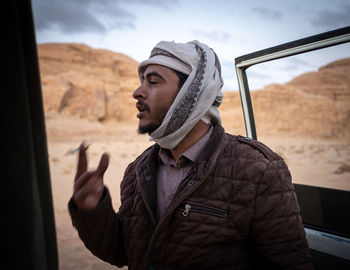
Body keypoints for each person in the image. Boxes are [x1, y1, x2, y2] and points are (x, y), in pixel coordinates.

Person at [68, 40, 313, 270]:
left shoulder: (258, 171)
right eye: (142, 81)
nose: (137, 92)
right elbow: (124, 251)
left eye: (153, 82)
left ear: (190, 95)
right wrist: (92, 210)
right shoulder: (138, 170)